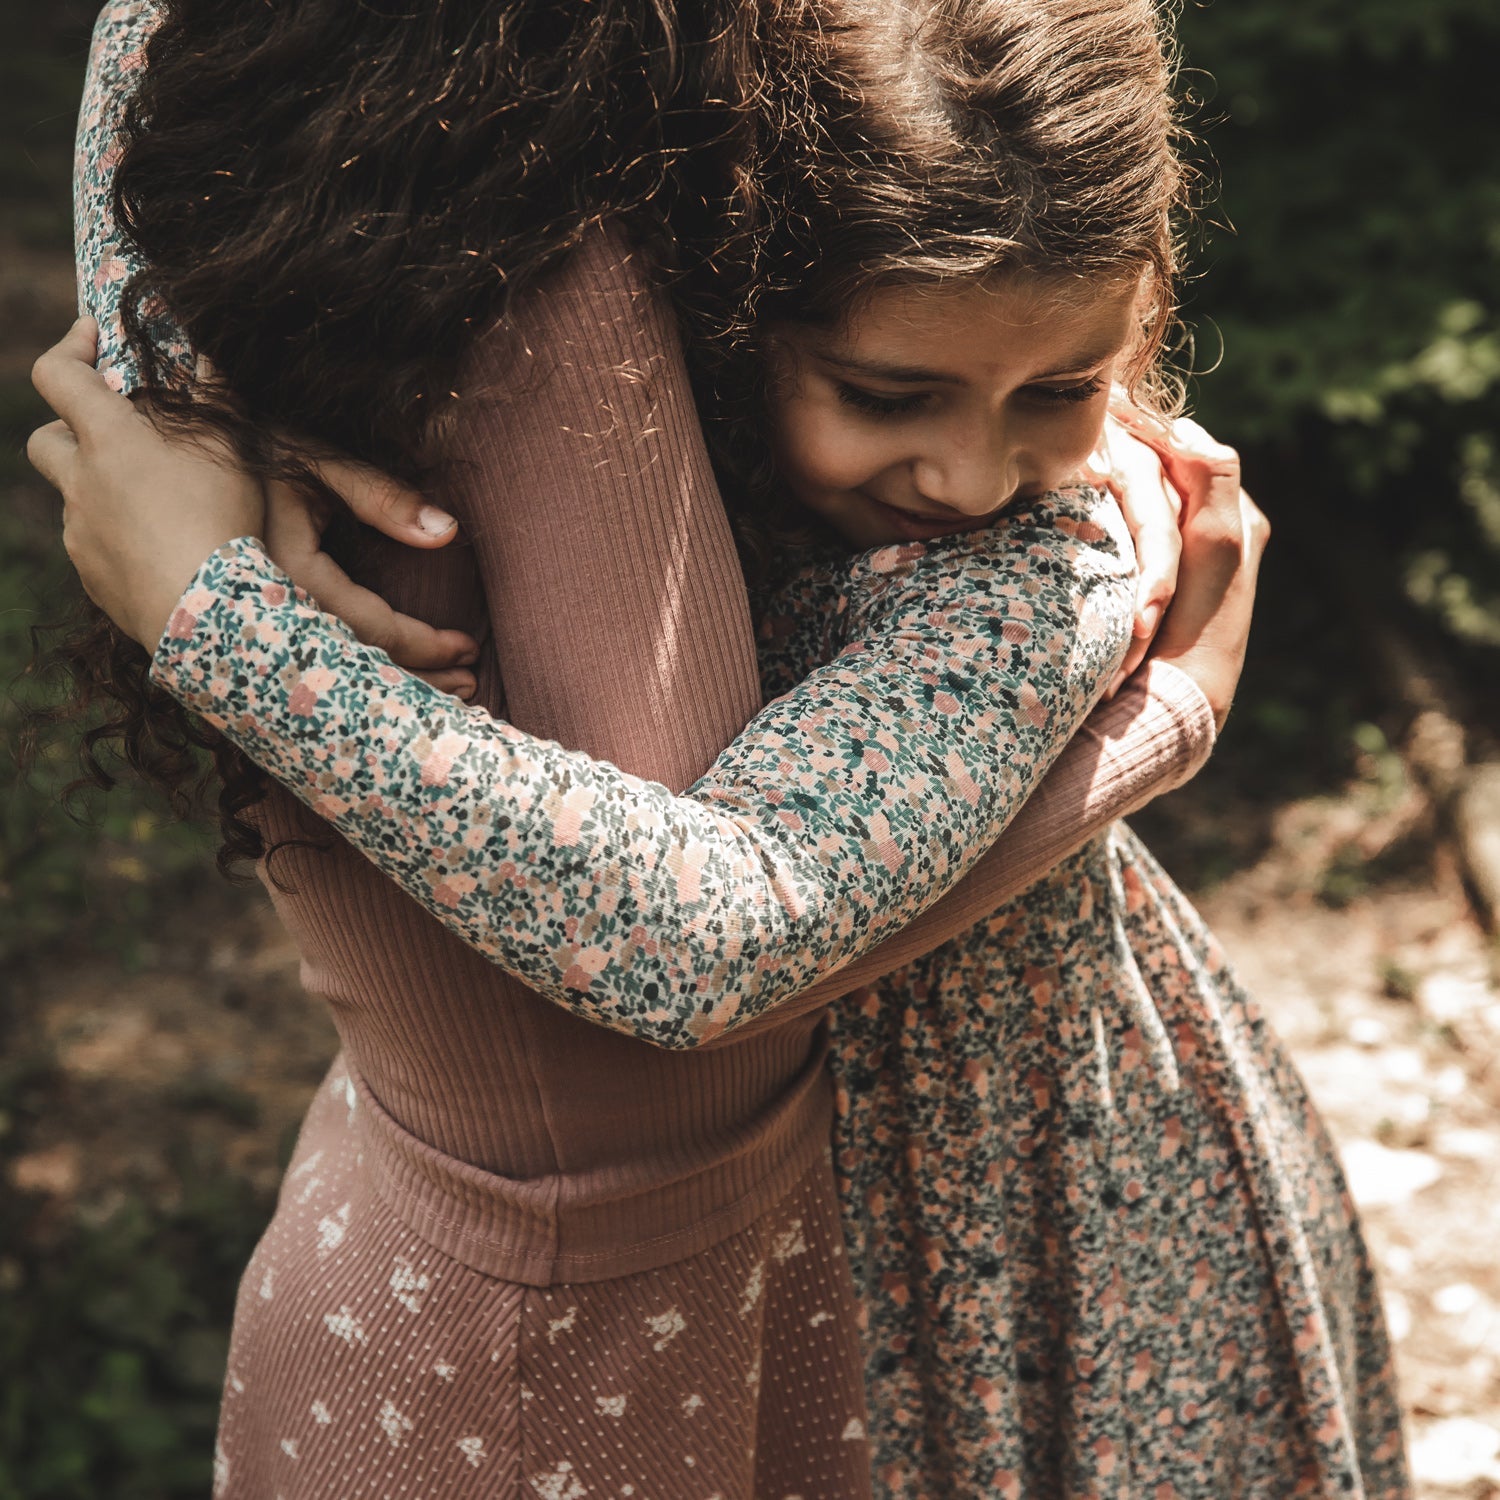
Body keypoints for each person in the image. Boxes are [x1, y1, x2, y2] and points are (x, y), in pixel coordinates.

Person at [33, 4, 1407, 1500]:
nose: (972, 469)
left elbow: (709, 942)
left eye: (1063, 388)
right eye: (889, 395)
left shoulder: (1061, 556)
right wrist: (183, 376)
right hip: (845, 1229)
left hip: (1050, 1208)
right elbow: (160, 28)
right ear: (743, 301)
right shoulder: (690, 427)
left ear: (1146, 313)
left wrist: (204, 606)